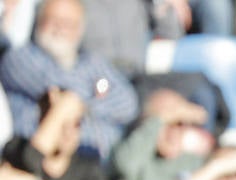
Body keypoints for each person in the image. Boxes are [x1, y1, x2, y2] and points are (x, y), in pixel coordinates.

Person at [0, 0, 139, 161]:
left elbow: (128, 104)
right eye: (53, 20)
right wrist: (96, 95)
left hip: (92, 164)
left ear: (80, 29)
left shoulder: (92, 62)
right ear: (39, 20)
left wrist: (76, 104)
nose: (60, 28)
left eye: (68, 23)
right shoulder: (20, 57)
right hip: (34, 161)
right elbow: (61, 89)